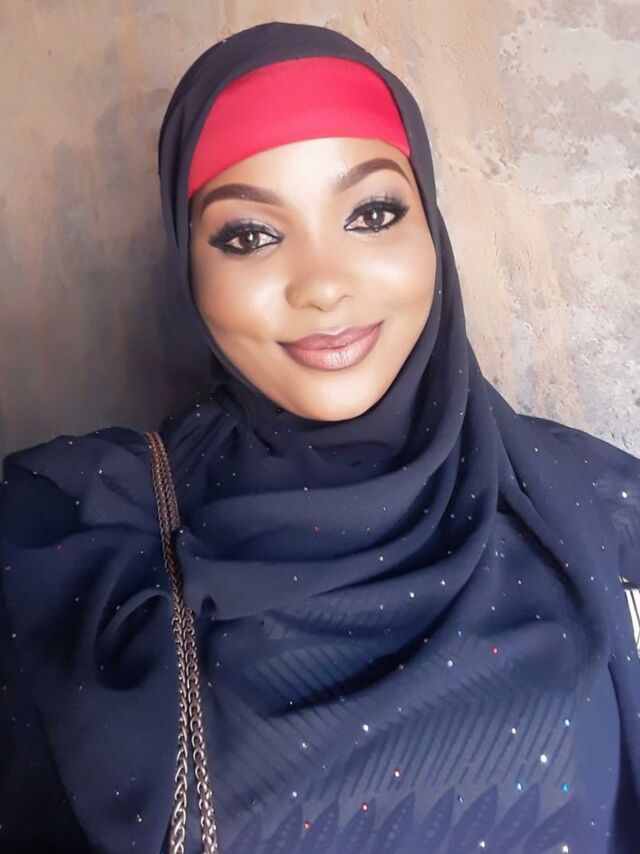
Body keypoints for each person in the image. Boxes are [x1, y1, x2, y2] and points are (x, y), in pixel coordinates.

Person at [1, 20, 639, 854]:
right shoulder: (78, 534)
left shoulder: (591, 502)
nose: (324, 285)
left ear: (430, 227)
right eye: (249, 235)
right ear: (188, 264)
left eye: (372, 213)